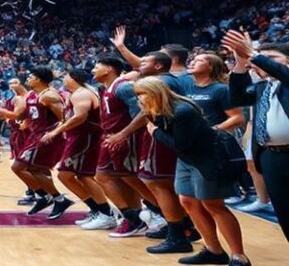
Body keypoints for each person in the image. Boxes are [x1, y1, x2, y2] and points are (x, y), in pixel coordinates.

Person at [135, 77, 251, 266]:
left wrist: (154, 131)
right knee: (188, 202)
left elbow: (180, 144)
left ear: (156, 93)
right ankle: (214, 250)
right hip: (187, 160)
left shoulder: (182, 111)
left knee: (213, 205)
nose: (138, 99)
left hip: (208, 159)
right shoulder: (159, 110)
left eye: (141, 94)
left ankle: (239, 256)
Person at [105, 52, 198, 252]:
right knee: (155, 182)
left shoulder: (161, 81)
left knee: (157, 182)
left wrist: (124, 133)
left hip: (159, 132)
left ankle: (180, 232)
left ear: (158, 66)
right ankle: (179, 228)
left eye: (145, 61)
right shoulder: (160, 79)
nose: (139, 64)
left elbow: (146, 112)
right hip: (158, 132)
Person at [223, 31, 289, 241]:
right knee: (284, 212)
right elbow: (238, 97)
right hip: (271, 156)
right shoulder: (264, 86)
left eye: (272, 59)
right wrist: (241, 63)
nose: (263, 63)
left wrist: (253, 53)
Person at [92, 55, 157, 238]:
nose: (92, 70)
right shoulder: (107, 88)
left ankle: (159, 212)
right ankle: (133, 217)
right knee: (103, 176)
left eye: (96, 67)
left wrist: (123, 134)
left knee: (129, 177)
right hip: (110, 138)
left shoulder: (124, 87)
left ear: (108, 69)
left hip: (125, 138)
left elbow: (143, 114)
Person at [41, 69, 114, 229]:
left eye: (65, 76)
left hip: (86, 138)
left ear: (73, 78)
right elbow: (68, 118)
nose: (63, 79)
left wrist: (56, 131)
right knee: (73, 175)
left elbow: (79, 117)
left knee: (80, 175)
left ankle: (106, 213)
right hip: (78, 138)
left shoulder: (82, 94)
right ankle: (97, 210)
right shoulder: (74, 94)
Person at [14, 67, 71, 219]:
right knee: (35, 169)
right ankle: (49, 198)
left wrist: (53, 134)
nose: (28, 79)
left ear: (38, 79)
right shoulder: (32, 95)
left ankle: (54, 198)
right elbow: (29, 114)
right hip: (35, 135)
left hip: (46, 136)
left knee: (19, 166)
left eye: (30, 76)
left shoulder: (50, 96)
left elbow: (64, 119)